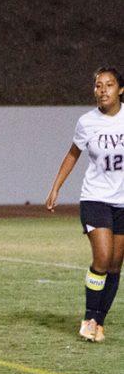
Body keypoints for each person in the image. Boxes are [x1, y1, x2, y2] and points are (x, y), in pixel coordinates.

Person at [46, 66, 124, 342]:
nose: (102, 91)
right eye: (98, 86)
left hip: (122, 202)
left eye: (109, 85)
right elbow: (72, 154)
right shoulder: (87, 122)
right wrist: (56, 187)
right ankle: (89, 317)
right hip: (95, 198)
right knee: (102, 257)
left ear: (121, 89)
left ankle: (99, 323)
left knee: (115, 264)